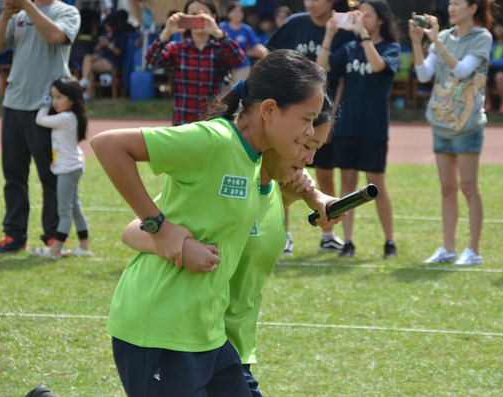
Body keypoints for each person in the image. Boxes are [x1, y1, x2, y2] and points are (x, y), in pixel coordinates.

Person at [89, 49, 328, 396]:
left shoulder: (253, 160)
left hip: (209, 335)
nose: (309, 132)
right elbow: (109, 145)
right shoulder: (214, 140)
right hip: (161, 330)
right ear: (270, 110)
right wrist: (160, 227)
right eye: (307, 119)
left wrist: (310, 197)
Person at [409, 0, 496, 266]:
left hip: (468, 124)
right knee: (447, 188)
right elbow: (424, 75)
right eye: (450, 3)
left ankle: (473, 250)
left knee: (469, 187)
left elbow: (462, 70)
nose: (451, 7)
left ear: (473, 8)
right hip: (441, 122)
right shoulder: (445, 36)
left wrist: (437, 41)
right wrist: (417, 42)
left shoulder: (482, 37)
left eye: (458, 3)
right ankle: (448, 249)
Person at [267, 0, 357, 255]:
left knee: (326, 174)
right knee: (282, 174)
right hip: (291, 115)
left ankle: (328, 235)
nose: (311, 3)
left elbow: (341, 76)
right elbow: (270, 54)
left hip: (325, 114)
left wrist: (330, 119)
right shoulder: (296, 23)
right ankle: (282, 235)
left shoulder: (343, 30)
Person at [317, 0, 400, 258]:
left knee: (377, 185)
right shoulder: (350, 47)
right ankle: (349, 241)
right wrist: (330, 34)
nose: (362, 17)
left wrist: (364, 35)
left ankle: (389, 242)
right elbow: (322, 67)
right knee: (347, 186)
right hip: (347, 127)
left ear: (381, 20)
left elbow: (377, 66)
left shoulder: (391, 47)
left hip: (373, 128)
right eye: (359, 13)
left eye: (368, 14)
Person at [0, 0, 80, 255]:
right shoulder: (16, 13)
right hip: (14, 103)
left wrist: (27, 7)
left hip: (48, 106)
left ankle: (54, 237)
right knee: (13, 175)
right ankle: (14, 234)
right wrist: (5, 16)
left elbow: (56, 36)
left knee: (51, 175)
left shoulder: (67, 11)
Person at [145, 0, 245, 126]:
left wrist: (218, 33)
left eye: (203, 15)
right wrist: (166, 32)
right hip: (182, 124)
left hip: (212, 124)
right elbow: (151, 61)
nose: (198, 19)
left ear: (213, 17)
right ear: (185, 18)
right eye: (193, 14)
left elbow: (239, 59)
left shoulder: (220, 48)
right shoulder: (177, 49)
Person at [28, 77, 90, 259]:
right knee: (75, 208)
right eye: (52, 97)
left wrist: (44, 103)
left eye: (58, 97)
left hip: (67, 170)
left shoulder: (65, 117)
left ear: (72, 100)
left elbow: (40, 119)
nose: (54, 101)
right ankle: (84, 248)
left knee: (64, 211)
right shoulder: (71, 116)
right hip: (73, 167)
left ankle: (55, 250)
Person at [79, 15, 126, 100]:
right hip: (101, 57)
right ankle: (85, 79)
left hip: (112, 61)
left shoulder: (121, 36)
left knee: (90, 68)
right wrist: (100, 45)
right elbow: (95, 49)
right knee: (87, 57)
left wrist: (109, 45)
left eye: (109, 26)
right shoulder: (104, 35)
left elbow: (119, 53)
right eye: (106, 27)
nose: (107, 29)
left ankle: (90, 92)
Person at [219, 1, 268, 82]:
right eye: (234, 11)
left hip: (242, 66)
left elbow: (256, 46)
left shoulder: (246, 29)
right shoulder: (222, 28)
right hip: (225, 66)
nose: (237, 14)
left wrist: (266, 54)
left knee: (240, 91)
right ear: (228, 14)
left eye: (240, 12)